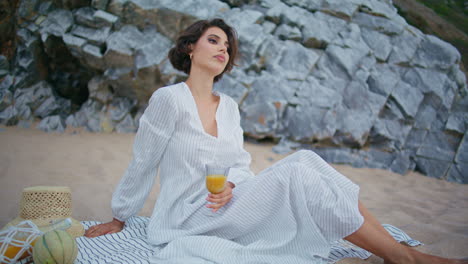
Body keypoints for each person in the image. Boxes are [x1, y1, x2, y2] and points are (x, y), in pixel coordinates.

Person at [84, 18, 466, 264]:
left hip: (229, 202)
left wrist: (231, 184)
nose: (222, 49)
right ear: (190, 48)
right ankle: (401, 258)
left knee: (306, 161)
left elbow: (238, 162)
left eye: (227, 47)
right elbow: (144, 160)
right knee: (299, 170)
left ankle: (395, 253)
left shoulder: (229, 107)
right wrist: (120, 216)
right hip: (187, 215)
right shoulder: (169, 100)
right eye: (213, 41)